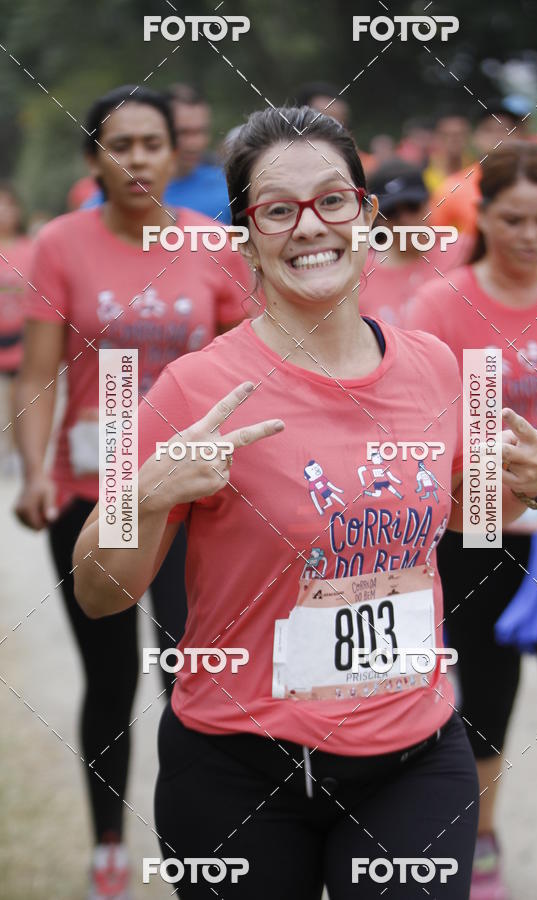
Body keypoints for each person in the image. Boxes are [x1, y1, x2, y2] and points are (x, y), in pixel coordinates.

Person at [71, 106, 537, 899]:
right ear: (245, 235)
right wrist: (147, 493)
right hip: (237, 771)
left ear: (365, 215)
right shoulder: (197, 389)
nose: (310, 227)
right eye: (277, 210)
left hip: (415, 759)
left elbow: (472, 518)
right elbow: (100, 592)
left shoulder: (443, 367)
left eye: (333, 200)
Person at [14, 85, 248, 900]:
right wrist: (36, 469)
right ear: (95, 161)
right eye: (122, 143)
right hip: (96, 489)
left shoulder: (211, 243)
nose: (140, 158)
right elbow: (39, 375)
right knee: (111, 678)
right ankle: (109, 839)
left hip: (189, 495)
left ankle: (203, 837)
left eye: (153, 142)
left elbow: (242, 367)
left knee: (194, 669)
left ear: (173, 153)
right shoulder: (60, 244)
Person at [407, 142, 537, 900]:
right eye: (512, 219)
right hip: (478, 530)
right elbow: (419, 421)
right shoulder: (440, 305)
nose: (529, 235)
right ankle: (480, 837)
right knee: (482, 705)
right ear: (480, 214)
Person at [429, 100, 537, 252]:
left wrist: (522, 241)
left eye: (506, 130)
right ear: (476, 137)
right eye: (489, 130)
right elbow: (432, 238)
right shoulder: (453, 187)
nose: (498, 136)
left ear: (519, 135)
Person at [79, 84, 231, 222]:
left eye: (200, 131)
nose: (193, 144)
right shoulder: (99, 207)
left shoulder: (229, 190)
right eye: (183, 132)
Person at [359, 160, 467, 328]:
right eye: (391, 212)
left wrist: (477, 356)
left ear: (429, 205)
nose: (404, 220)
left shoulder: (464, 251)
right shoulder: (361, 274)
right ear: (375, 216)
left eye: (412, 206)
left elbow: (482, 335)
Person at [0, 182, 33, 473]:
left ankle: (15, 451)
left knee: (18, 396)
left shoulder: (30, 249)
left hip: (22, 339)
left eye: (8, 205)